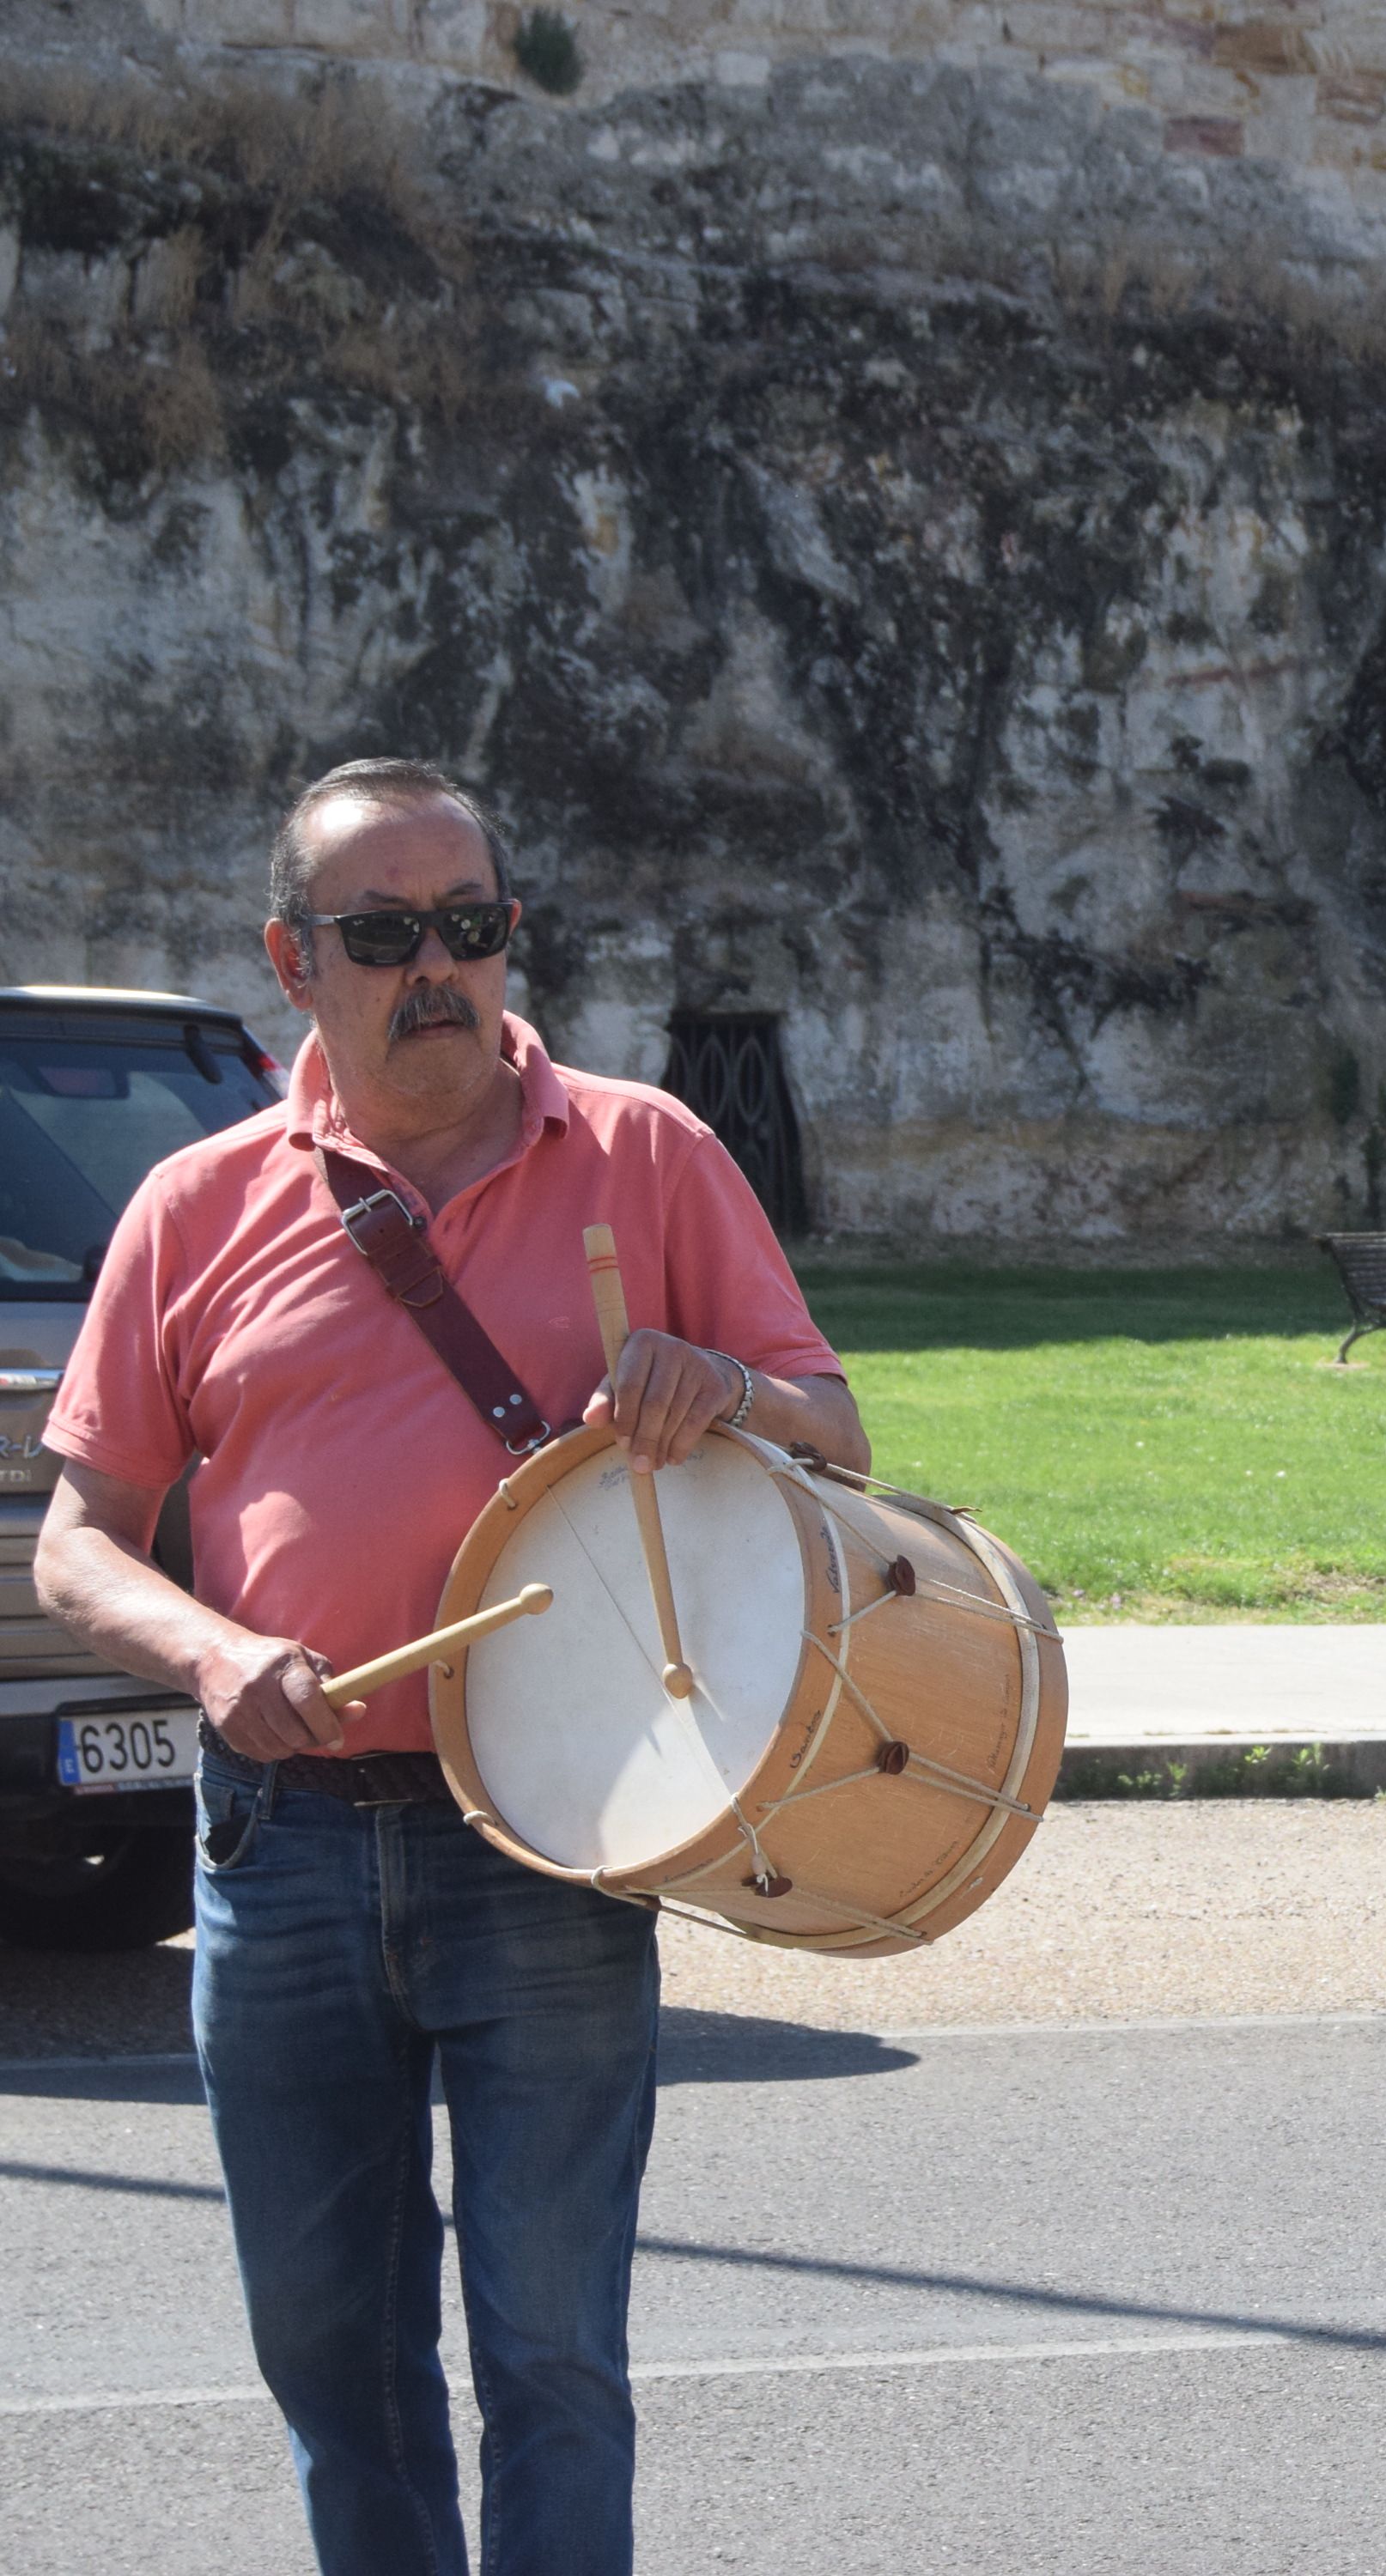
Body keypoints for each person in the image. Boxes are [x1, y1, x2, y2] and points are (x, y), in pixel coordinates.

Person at [35, 760, 864, 2576]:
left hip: (558, 1837)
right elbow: (79, 1540)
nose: (441, 972)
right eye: (386, 935)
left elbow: (836, 1436)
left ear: (512, 939)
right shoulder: (196, 1203)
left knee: (554, 2354)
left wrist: (723, 1389)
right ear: (293, 959)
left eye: (470, 928)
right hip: (286, 1843)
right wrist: (212, 1645)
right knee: (337, 2357)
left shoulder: (646, 1154)